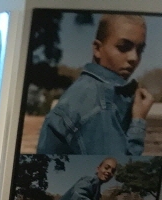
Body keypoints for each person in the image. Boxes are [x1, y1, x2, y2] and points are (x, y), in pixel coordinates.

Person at [37, 14, 155, 155]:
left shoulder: (87, 89)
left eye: (140, 50)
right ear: (97, 49)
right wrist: (138, 121)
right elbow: (117, 167)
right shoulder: (100, 104)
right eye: (123, 47)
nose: (134, 58)